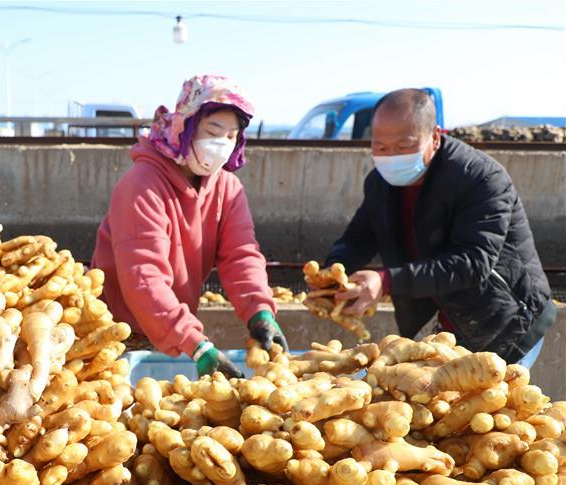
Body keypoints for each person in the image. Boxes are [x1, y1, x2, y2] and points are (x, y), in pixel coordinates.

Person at [326, 88, 555, 367]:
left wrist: (386, 281)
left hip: (507, 320)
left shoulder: (480, 178)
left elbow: (473, 262)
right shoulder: (379, 183)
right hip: (445, 322)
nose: (391, 157)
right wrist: (333, 271)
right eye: (381, 147)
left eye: (404, 146)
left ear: (435, 137)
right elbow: (360, 236)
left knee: (496, 404)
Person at [91, 74, 286, 378]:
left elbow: (241, 255)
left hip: (173, 331)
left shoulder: (227, 190)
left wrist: (259, 311)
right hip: (116, 335)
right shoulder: (141, 186)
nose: (220, 144)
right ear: (186, 126)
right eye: (212, 131)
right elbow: (143, 278)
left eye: (231, 136)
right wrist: (194, 342)